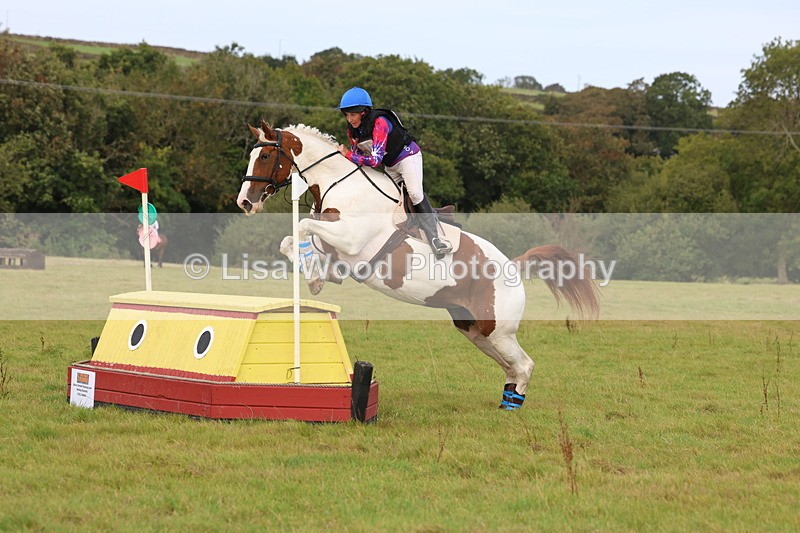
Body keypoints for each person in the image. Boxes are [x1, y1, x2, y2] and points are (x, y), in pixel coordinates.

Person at [336, 86, 452, 256]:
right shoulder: (352, 130)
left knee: (414, 194)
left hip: (407, 158)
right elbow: (358, 157)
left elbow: (374, 161)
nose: (350, 118)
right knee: (389, 199)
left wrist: (347, 155)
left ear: (364, 112)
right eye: (347, 114)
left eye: (353, 114)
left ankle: (436, 239)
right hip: (390, 165)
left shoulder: (379, 123)